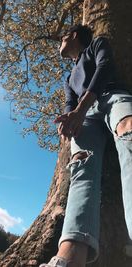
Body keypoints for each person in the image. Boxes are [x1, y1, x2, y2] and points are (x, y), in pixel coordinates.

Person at [40, 24, 132, 267]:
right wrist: (68, 120)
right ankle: (69, 258)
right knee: (80, 165)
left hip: (112, 97)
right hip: (85, 116)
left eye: (61, 38)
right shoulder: (68, 78)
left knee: (129, 130)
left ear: (73, 35)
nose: (58, 43)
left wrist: (79, 110)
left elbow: (105, 67)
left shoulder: (96, 44)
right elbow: (70, 104)